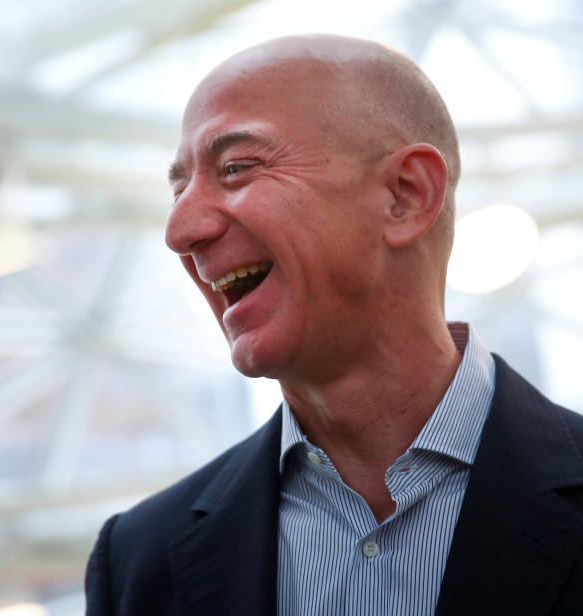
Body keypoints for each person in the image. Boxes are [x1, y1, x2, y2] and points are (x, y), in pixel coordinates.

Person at [85, 34, 583, 615]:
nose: (180, 231)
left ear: (406, 195)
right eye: (179, 189)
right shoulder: (138, 562)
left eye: (237, 167)